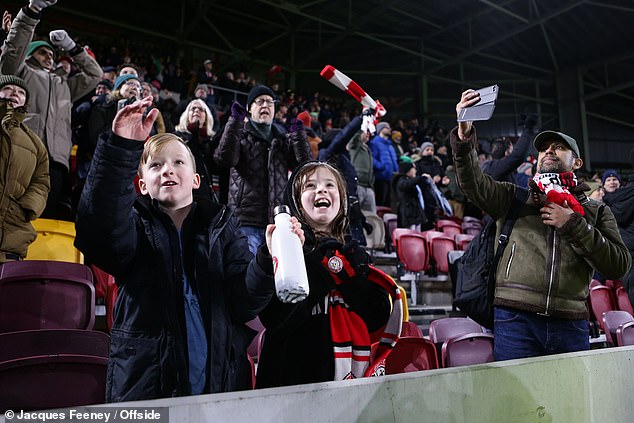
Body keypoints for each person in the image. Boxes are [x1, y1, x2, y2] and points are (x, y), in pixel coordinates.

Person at [75, 97, 278, 402]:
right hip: (146, 386)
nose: (167, 170)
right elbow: (100, 234)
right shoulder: (132, 224)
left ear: (196, 180)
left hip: (217, 387)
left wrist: (264, 260)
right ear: (142, 185)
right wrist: (120, 149)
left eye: (178, 162)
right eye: (155, 165)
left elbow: (245, 302)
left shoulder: (223, 226)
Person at [452, 88, 631, 361]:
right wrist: (464, 138)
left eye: (559, 147)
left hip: (570, 321)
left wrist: (573, 223)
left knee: (569, 402)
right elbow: (473, 184)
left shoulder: (595, 210)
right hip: (515, 319)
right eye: (545, 148)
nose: (549, 150)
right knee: (517, 402)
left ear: (577, 162)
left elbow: (618, 264)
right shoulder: (515, 196)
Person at [255, 161, 393, 388]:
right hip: (292, 381)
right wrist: (323, 266)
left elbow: (377, 317)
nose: (321, 189)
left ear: (342, 199)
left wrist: (346, 273)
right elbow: (275, 320)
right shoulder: (282, 249)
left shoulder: (355, 254)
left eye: (330, 185)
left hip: (351, 385)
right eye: (310, 185)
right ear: (296, 202)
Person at [0, 0, 102, 219]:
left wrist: (73, 48)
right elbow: (13, 49)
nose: (49, 57)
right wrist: (31, 12)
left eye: (51, 54)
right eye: (42, 53)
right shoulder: (20, 72)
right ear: (29, 55)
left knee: (45, 217)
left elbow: (95, 75)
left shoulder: (63, 84)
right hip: (22, 153)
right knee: (13, 215)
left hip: (56, 162)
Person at [214, 84, 310, 254]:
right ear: (249, 109)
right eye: (259, 101)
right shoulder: (241, 134)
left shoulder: (282, 140)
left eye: (269, 102)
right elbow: (224, 159)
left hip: (278, 221)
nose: (265, 105)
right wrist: (235, 121)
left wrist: (298, 135)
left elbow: (305, 167)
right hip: (246, 220)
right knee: (248, 272)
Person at [0, 74, 50, 262]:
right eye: (8, 88)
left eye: (21, 92)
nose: (15, 93)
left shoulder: (35, 143)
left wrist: (26, 208)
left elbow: (42, 181)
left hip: (11, 240)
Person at [173, 98, 220, 201]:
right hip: (180, 194)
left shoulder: (212, 141)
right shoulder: (175, 137)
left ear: (207, 117)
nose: (196, 111)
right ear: (186, 114)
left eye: (201, 109)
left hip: (205, 196)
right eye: (193, 108)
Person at [603, 156, 634, 307]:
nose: (612, 181)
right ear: (602, 185)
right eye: (608, 180)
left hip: (624, 253)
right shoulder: (598, 204)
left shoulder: (623, 200)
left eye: (614, 179)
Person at [392, 160, 434, 232]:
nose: (415, 170)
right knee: (411, 234)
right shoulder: (401, 180)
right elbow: (406, 184)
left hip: (415, 213)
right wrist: (420, 178)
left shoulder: (411, 181)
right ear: (408, 170)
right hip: (408, 215)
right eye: (413, 168)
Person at [369, 121, 398, 207]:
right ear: (380, 129)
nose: (390, 129)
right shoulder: (374, 143)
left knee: (389, 203)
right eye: (387, 127)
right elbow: (372, 158)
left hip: (391, 178)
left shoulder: (390, 145)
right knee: (381, 202)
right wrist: (382, 167)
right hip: (381, 177)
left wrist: (396, 170)